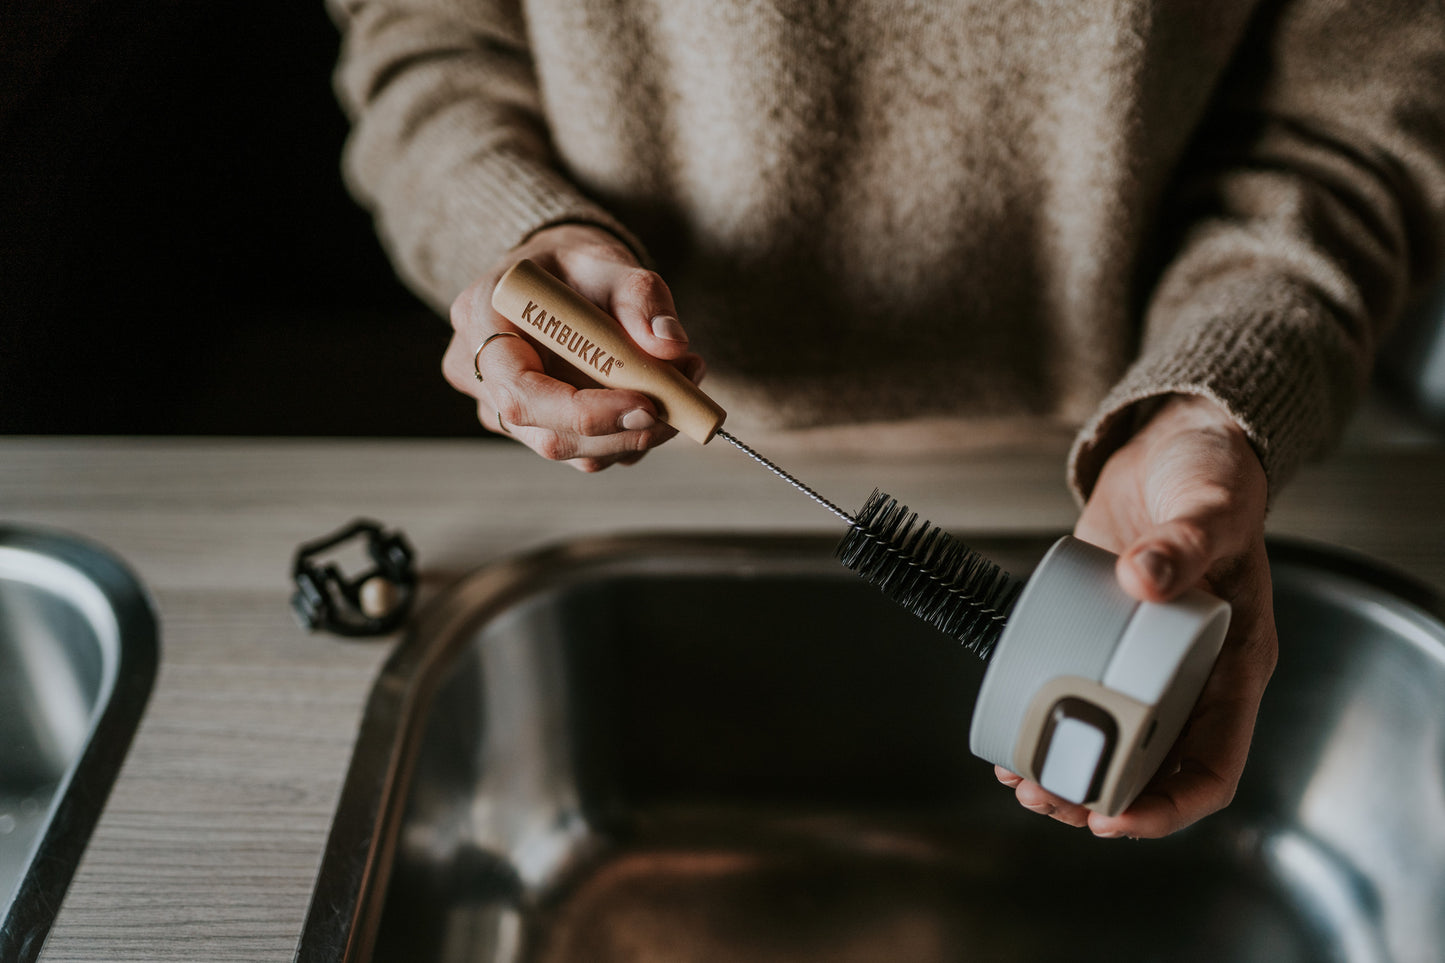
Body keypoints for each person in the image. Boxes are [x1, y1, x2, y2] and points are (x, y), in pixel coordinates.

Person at [327, 0, 1445, 837]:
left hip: (1115, 442)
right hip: (633, 446)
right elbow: (425, 44)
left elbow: (1346, 127)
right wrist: (505, 229)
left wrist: (1210, 401)